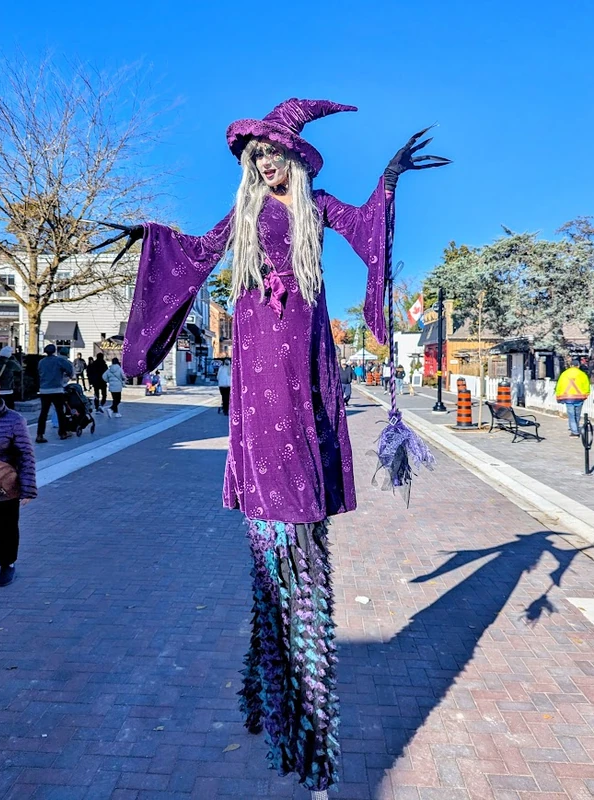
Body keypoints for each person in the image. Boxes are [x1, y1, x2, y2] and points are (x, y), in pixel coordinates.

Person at [108, 98, 448, 798]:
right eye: (254, 152)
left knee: (295, 547)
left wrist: (388, 179)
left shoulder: (317, 207)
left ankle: (287, 710)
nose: (263, 160)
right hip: (259, 381)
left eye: (273, 150)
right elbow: (193, 256)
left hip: (306, 379)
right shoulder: (241, 217)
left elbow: (369, 233)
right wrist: (149, 237)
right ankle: (290, 712)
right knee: (279, 551)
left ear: (294, 155)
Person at [0, 374, 37, 587]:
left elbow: (25, 455)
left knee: (6, 529)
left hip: (3, 487)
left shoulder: (13, 420)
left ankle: (7, 565)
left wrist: (27, 488)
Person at [36, 344, 74, 443]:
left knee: (43, 413)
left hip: (44, 390)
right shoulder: (59, 360)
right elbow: (69, 369)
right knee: (60, 412)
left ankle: (40, 434)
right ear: (54, 351)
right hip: (57, 389)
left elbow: (39, 372)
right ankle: (62, 432)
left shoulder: (41, 362)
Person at [556, 357, 591, 437]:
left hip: (568, 397)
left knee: (571, 415)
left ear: (571, 365)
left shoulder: (564, 374)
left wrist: (558, 396)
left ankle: (574, 432)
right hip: (580, 398)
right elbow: (586, 385)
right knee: (577, 414)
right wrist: (586, 394)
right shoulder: (582, 374)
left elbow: (559, 386)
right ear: (578, 366)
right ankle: (575, 428)